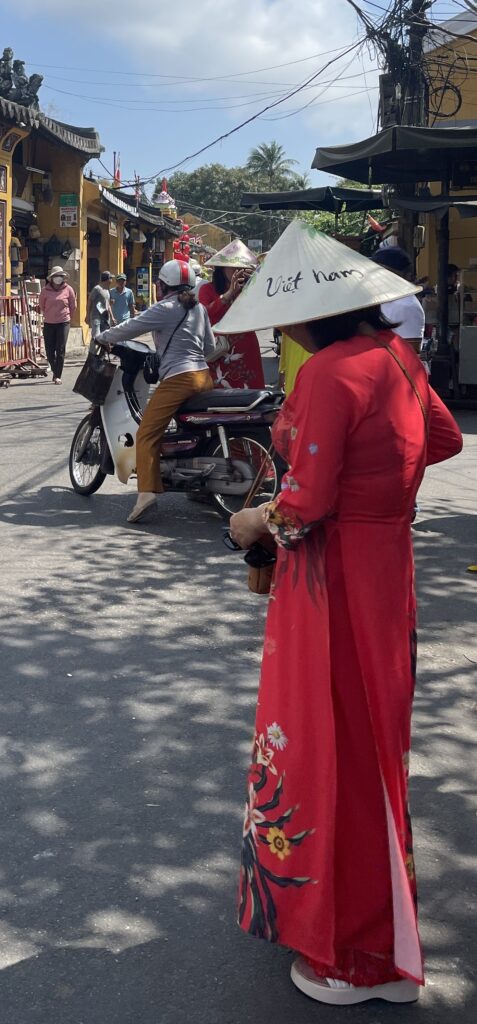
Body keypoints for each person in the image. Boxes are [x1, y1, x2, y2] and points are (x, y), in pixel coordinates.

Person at [223, 220, 462, 1006]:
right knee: (372, 745)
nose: (279, 326)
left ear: (309, 313)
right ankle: (384, 944)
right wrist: (382, 487)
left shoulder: (327, 372)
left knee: (328, 746)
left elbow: (300, 509)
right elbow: (442, 439)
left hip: (327, 582)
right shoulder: (398, 356)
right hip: (386, 569)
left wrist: (250, 522)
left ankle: (352, 956)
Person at [95, 259, 219, 524]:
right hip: (203, 377)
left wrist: (103, 337)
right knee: (190, 429)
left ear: (163, 285)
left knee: (147, 434)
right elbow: (209, 348)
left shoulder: (165, 308)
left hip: (179, 379)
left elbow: (132, 326)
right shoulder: (199, 309)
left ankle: (146, 493)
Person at [199, 240, 266, 389]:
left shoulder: (250, 289)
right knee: (219, 389)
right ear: (222, 268)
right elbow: (205, 315)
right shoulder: (207, 289)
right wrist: (228, 294)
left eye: (242, 267)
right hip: (218, 349)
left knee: (250, 389)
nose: (237, 270)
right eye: (233, 267)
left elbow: (260, 313)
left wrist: (255, 283)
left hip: (246, 346)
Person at [370, 248, 425, 354]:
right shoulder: (381, 299)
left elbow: (409, 352)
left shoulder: (406, 306)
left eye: (382, 271)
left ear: (404, 276)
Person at [38, 266, 77, 385]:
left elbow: (73, 305)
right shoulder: (45, 290)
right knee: (50, 350)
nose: (58, 278)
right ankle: (55, 370)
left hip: (63, 322)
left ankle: (57, 375)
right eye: (56, 276)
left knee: (60, 349)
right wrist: (50, 314)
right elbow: (41, 305)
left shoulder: (68, 289)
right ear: (52, 278)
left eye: (60, 276)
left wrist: (67, 316)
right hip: (49, 323)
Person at [86, 271, 116, 341]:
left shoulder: (107, 290)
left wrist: (112, 317)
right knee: (96, 337)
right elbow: (90, 301)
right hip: (96, 317)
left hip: (105, 319)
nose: (112, 280)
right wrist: (87, 315)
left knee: (104, 337)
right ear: (107, 279)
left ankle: (102, 352)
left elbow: (108, 306)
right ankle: (92, 352)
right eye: (111, 278)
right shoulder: (97, 289)